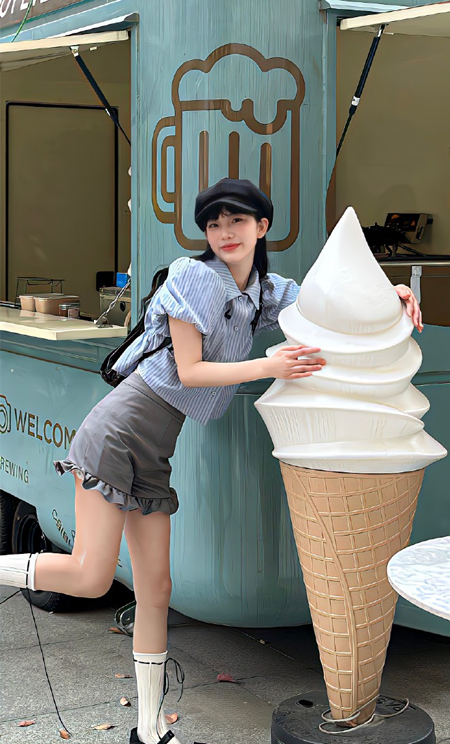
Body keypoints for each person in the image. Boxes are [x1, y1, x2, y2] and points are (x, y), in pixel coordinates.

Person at [0, 179, 422, 744]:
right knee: (91, 576)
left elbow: (326, 300)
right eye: (214, 223)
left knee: (156, 591)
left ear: (262, 227)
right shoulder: (193, 277)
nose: (225, 232)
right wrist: (270, 366)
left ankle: (149, 731)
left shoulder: (264, 291)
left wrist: (392, 292)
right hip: (118, 431)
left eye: (237, 220)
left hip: (154, 450)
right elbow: (190, 370)